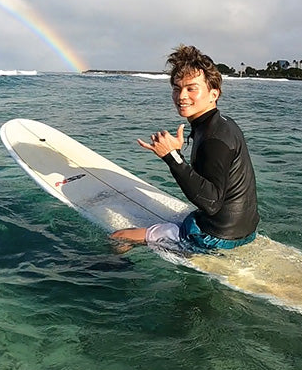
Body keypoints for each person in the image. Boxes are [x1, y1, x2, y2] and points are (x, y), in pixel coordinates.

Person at [111, 45, 259, 254]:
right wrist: (176, 155)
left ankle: (117, 278)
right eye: (176, 88)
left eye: (191, 88)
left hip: (215, 238)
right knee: (189, 217)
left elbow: (212, 203)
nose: (181, 96)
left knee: (119, 237)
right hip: (244, 229)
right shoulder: (222, 125)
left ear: (213, 93)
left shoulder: (213, 139)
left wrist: (172, 157)